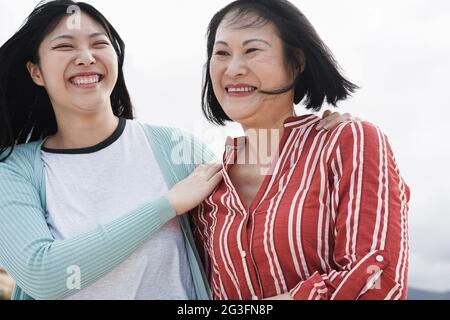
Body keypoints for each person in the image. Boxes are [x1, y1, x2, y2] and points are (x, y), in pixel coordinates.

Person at [0, 0, 351, 300]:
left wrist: (317, 137)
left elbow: (255, 221)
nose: (86, 57)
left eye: (99, 44)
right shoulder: (15, 170)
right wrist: (167, 205)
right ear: (36, 72)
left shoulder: (174, 149)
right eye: (65, 47)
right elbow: (43, 274)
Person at [191, 0, 411, 300]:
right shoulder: (206, 188)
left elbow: (376, 281)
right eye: (221, 53)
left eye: (252, 50)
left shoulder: (348, 141)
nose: (234, 68)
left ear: (296, 61)